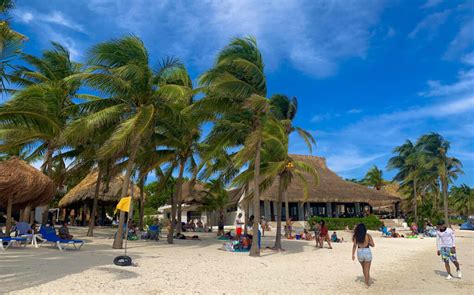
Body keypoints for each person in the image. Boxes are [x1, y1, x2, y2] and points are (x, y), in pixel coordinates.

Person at [352, 223, 375, 287]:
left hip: (359, 252)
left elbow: (354, 246)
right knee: (367, 269)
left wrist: (353, 255)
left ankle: (366, 280)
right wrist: (368, 243)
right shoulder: (368, 235)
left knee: (363, 268)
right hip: (367, 251)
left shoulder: (356, 236)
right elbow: (373, 245)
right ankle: (367, 283)